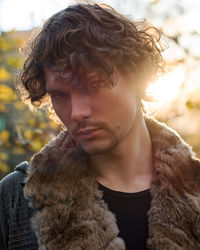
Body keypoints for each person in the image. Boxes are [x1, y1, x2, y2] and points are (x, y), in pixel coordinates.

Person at [1, 3, 200, 250]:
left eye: (94, 85)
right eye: (60, 96)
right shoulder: (15, 198)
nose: (78, 113)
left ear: (139, 77)